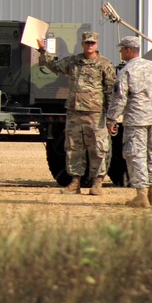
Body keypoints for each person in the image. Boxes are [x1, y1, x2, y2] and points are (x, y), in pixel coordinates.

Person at [36, 31, 117, 195]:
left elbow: (111, 92)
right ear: (82, 44)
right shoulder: (73, 62)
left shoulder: (105, 65)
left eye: (92, 43)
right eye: (87, 43)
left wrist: (111, 118)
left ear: (97, 44)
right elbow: (53, 66)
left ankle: (97, 183)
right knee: (73, 148)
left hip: (96, 114)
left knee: (98, 149)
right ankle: (75, 182)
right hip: (74, 113)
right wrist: (43, 51)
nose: (90, 45)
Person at [106, 35, 152, 208]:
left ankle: (141, 196)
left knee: (136, 155)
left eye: (121, 49)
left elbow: (120, 97)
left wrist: (111, 118)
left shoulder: (127, 70)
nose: (120, 52)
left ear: (128, 50)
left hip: (136, 119)